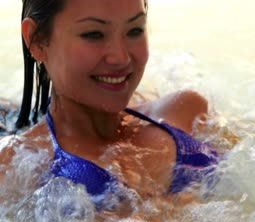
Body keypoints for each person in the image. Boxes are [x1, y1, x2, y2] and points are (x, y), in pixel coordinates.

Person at [0, 0, 221, 210]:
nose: (121, 58)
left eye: (134, 30)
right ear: (37, 41)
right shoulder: (15, 169)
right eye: (93, 34)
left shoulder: (185, 113)